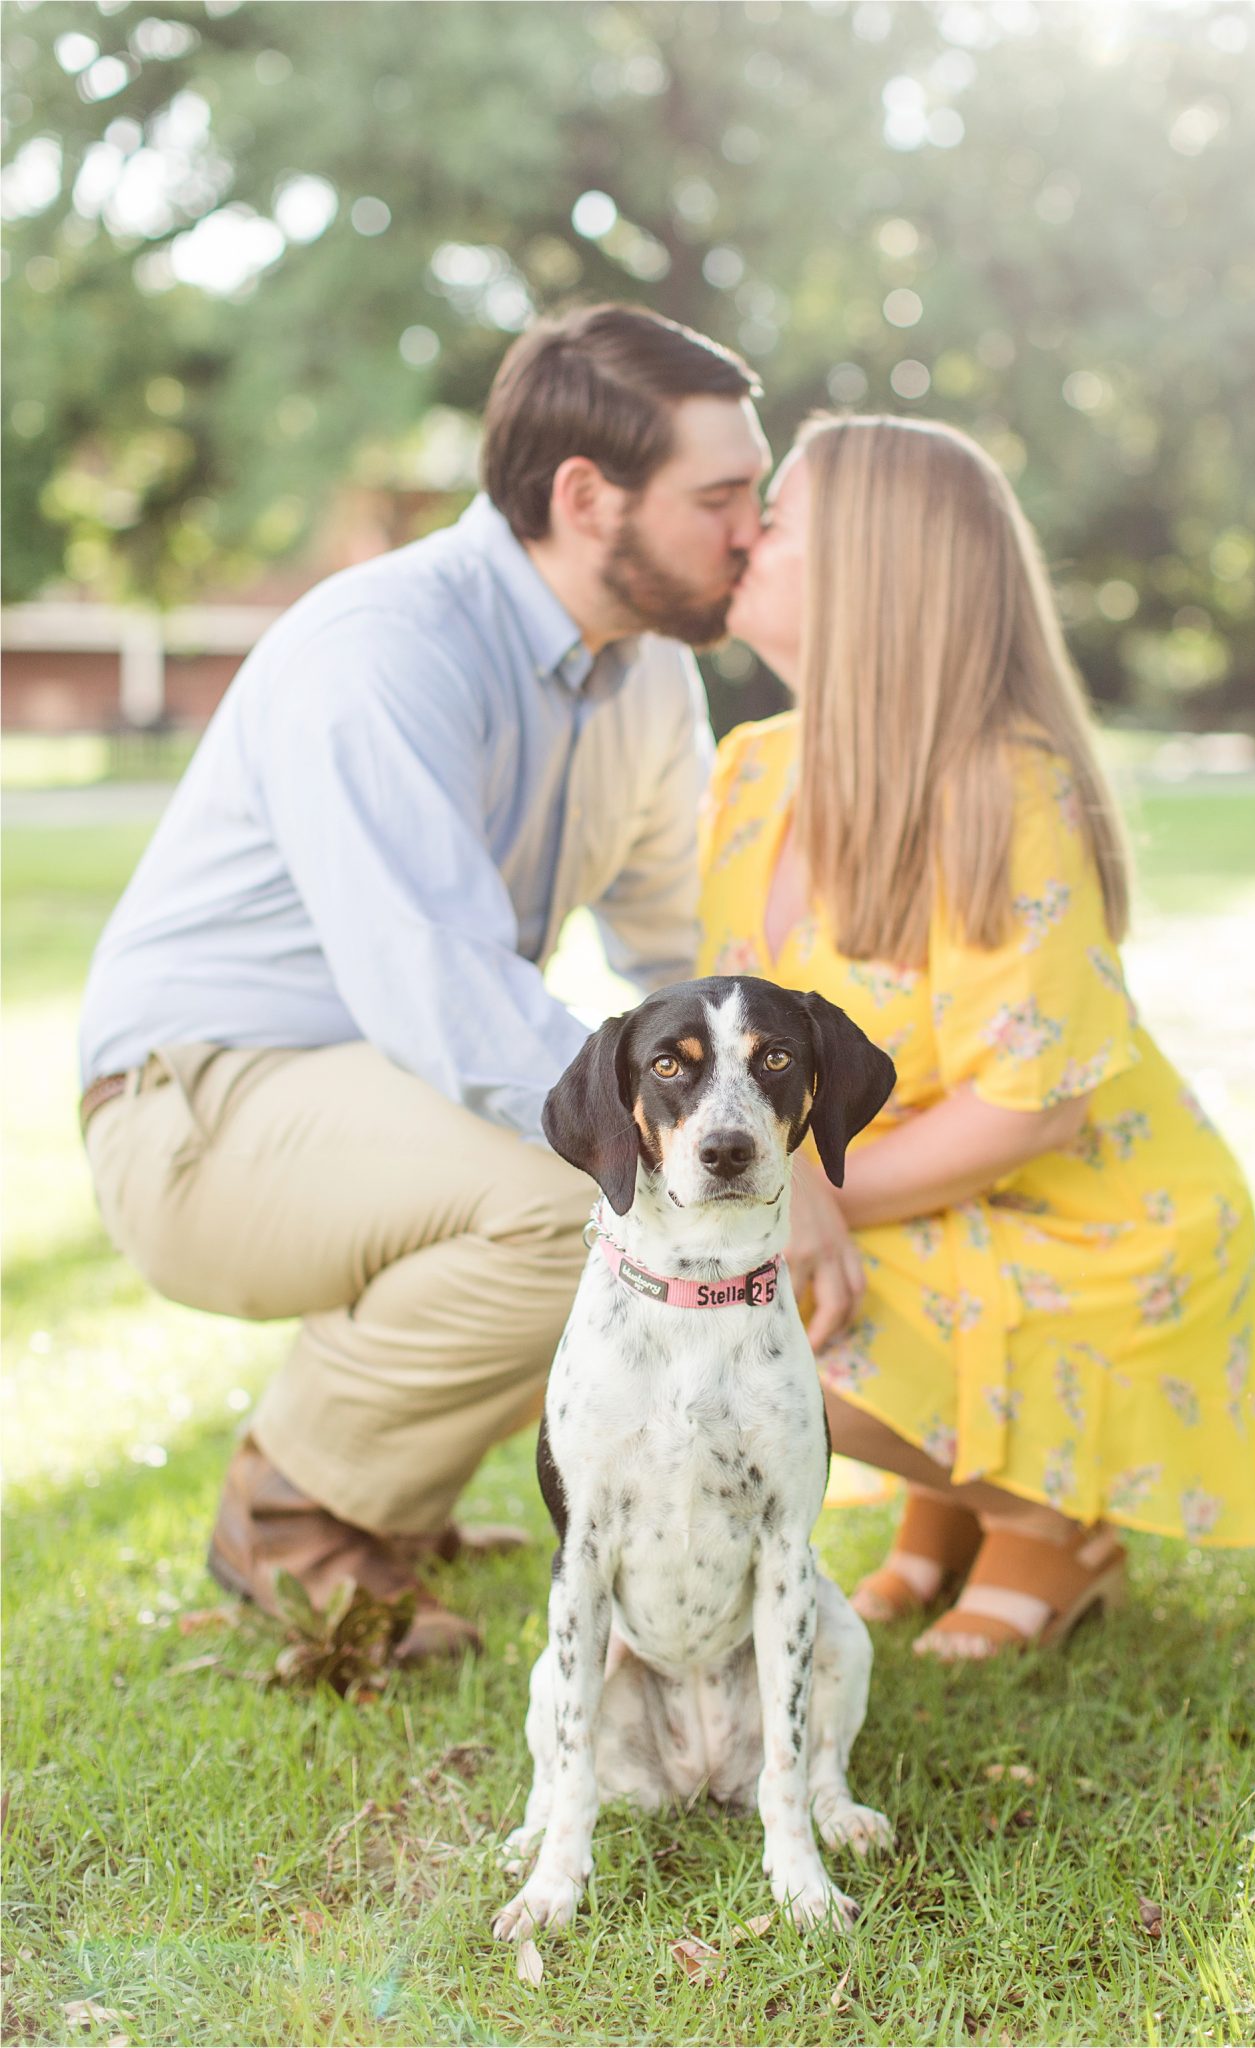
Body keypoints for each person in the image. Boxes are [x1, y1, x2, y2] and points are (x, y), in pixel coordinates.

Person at [78, 303, 770, 1660]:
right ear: (584, 496)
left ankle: (392, 1501)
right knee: (579, 1183)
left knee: (617, 1165)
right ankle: (293, 1516)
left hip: (360, 1094)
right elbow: (443, 994)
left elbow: (680, 950)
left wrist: (773, 1114)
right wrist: (686, 1149)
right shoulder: (384, 649)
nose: (752, 528)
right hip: (193, 1107)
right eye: (722, 495)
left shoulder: (641, 682)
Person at [700, 414, 1255, 1660]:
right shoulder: (752, 769)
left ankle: (1047, 1515)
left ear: (874, 578)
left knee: (745, 1312)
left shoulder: (1000, 788)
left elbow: (1030, 1109)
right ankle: (953, 1504)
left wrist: (797, 1194)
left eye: (778, 520)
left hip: (1083, 1212)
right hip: (917, 1187)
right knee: (699, 1298)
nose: (741, 537)